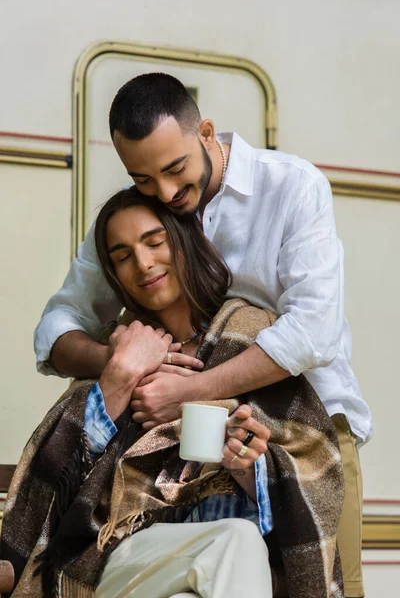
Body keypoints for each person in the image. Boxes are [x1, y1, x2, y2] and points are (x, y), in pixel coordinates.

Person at [34, 73, 371, 597]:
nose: (166, 193)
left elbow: (312, 333)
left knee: (323, 582)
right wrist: (126, 363)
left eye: (175, 169)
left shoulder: (292, 187)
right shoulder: (146, 221)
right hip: (178, 460)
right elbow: (56, 328)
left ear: (207, 132)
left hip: (304, 436)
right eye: (144, 179)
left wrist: (186, 390)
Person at [2, 189, 344, 597]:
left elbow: (311, 481)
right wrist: (120, 375)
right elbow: (58, 485)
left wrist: (245, 466)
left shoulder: (252, 339)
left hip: (227, 575)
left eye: (153, 241)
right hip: (111, 564)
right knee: (233, 541)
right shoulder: (118, 351)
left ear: (182, 242)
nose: (143, 264)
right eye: (122, 255)